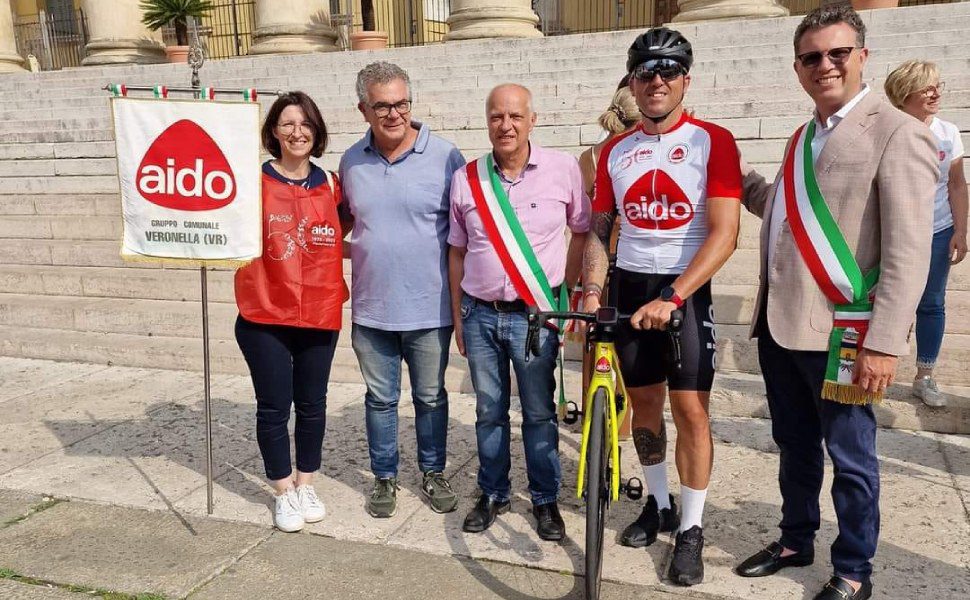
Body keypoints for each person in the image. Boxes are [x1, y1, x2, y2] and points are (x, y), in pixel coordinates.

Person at [732, 8, 939, 600]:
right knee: (793, 445)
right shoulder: (805, 135)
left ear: (862, 57)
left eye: (837, 53)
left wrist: (883, 342)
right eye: (811, 56)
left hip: (845, 334)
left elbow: (907, 252)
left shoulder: (899, 132)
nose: (824, 65)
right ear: (798, 67)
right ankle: (796, 539)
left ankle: (854, 570)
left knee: (851, 459)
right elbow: (787, 208)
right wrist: (740, 181)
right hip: (781, 324)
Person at [582, 27, 742, 586]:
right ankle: (658, 503)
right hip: (629, 283)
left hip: (685, 287)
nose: (656, 81)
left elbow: (725, 235)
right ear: (632, 81)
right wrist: (594, 292)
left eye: (668, 71)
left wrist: (673, 296)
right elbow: (601, 231)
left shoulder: (712, 141)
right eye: (645, 71)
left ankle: (692, 528)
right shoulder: (613, 150)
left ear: (685, 80)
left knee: (692, 411)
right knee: (643, 407)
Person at [448, 83, 590, 541]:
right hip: (480, 313)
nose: (504, 126)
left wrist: (567, 294)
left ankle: (545, 500)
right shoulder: (467, 178)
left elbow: (583, 232)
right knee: (489, 410)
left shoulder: (563, 168)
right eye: (495, 117)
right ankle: (493, 492)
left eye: (514, 116)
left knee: (538, 412)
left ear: (533, 119)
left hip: (536, 316)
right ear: (486, 121)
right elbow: (456, 252)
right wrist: (457, 318)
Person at [339, 62, 465, 518]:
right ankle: (384, 478)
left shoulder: (447, 156)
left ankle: (433, 471)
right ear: (363, 109)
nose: (394, 114)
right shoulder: (351, 160)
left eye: (401, 103)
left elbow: (465, 233)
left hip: (429, 309)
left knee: (430, 397)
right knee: (380, 400)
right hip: (371, 310)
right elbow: (343, 219)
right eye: (382, 106)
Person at [234, 91, 349, 532]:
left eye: (305, 124)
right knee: (273, 408)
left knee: (314, 404)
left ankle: (306, 483)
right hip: (265, 311)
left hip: (318, 310)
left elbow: (344, 226)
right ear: (274, 132)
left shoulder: (332, 184)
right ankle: (283, 491)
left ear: (316, 131)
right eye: (287, 124)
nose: (297, 132)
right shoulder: (252, 182)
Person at [884, 60, 968, 408]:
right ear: (905, 94)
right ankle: (878, 370)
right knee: (887, 301)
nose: (936, 92)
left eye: (937, 85)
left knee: (932, 303)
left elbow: (957, 183)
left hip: (938, 230)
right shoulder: (887, 129)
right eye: (927, 87)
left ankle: (925, 376)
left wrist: (961, 229)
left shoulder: (948, 131)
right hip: (896, 231)